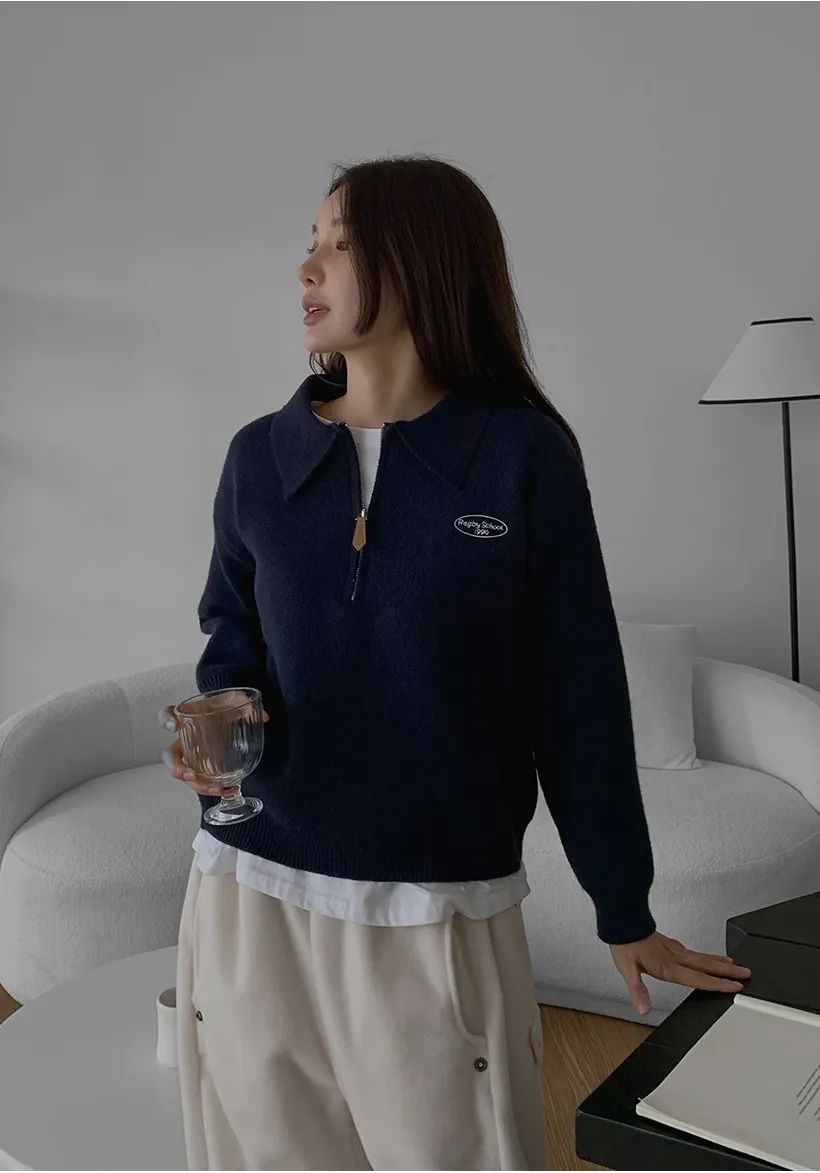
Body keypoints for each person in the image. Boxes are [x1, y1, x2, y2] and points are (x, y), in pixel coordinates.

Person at [163, 153, 751, 1171]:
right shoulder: (258, 457)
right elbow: (232, 632)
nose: (307, 267)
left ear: (422, 259)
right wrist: (224, 715)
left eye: (340, 243)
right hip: (249, 893)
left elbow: (576, 693)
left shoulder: (521, 457)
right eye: (308, 244)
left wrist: (623, 906)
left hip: (432, 908)